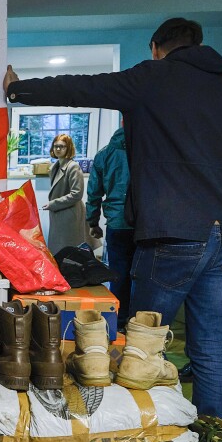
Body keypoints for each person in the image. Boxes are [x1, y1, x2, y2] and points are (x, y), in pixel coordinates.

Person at [4, 17, 222, 421]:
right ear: (197, 44)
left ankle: (143, 434)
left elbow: (84, 86)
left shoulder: (155, 77)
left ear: (155, 47)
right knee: (210, 349)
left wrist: (18, 88)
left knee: (139, 347)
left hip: (173, 231)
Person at [86, 124, 135, 329]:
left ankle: (117, 321)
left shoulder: (104, 154)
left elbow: (94, 193)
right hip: (145, 224)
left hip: (116, 223)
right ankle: (138, 322)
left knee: (118, 274)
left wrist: (93, 221)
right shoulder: (148, 150)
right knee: (142, 275)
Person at [42, 133, 91, 254]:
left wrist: (53, 204)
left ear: (68, 148)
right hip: (60, 214)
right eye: (55, 146)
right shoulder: (55, 166)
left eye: (62, 146)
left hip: (70, 216)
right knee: (59, 251)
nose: (58, 149)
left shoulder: (73, 167)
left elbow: (77, 194)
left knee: (69, 252)